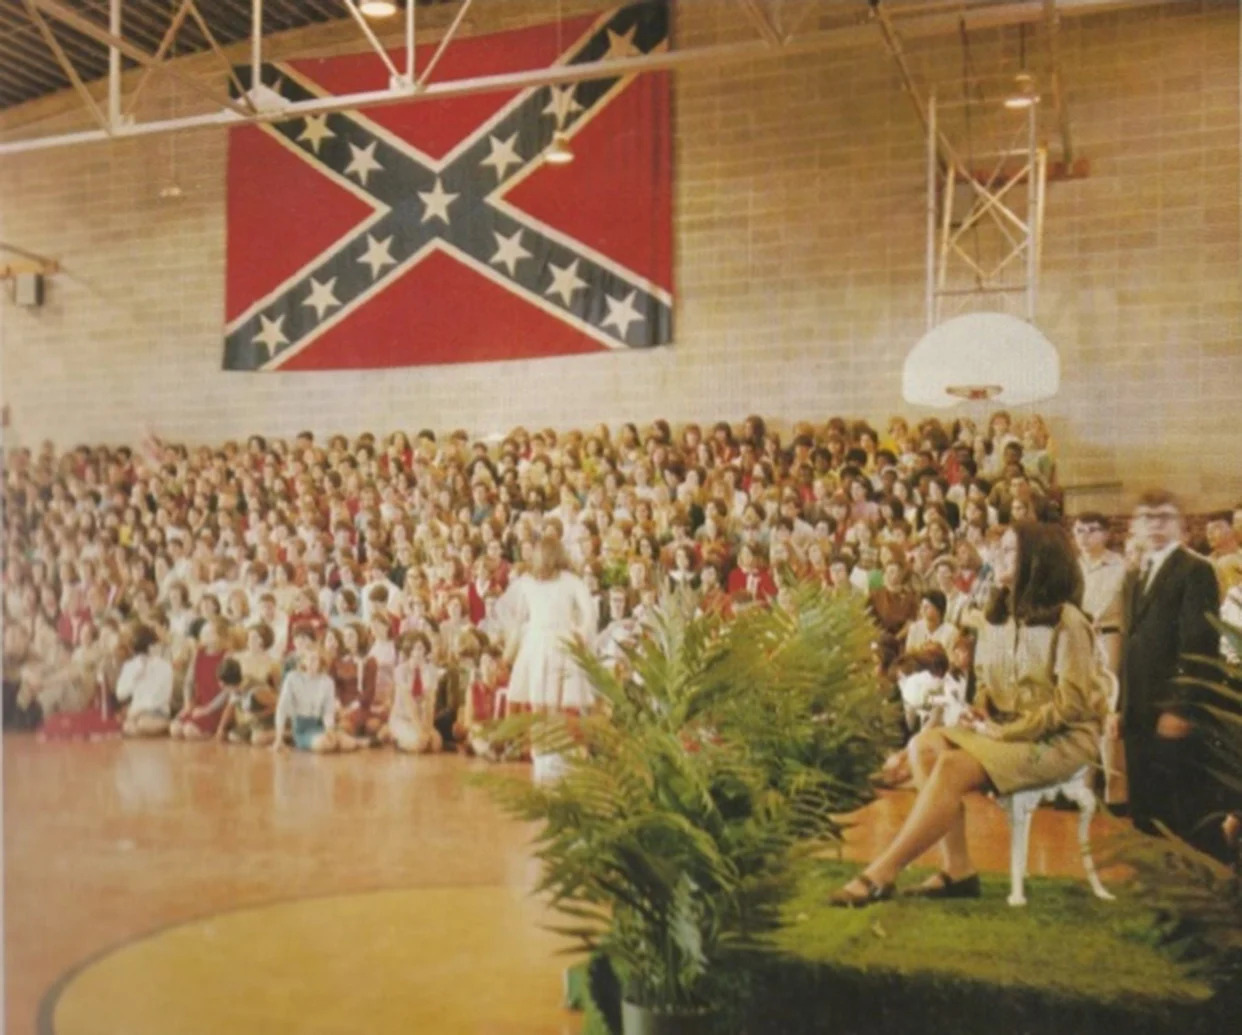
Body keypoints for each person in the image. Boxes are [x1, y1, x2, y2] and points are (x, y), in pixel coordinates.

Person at [831, 523, 1110, 905]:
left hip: (1058, 738)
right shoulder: (994, 617)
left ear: (1038, 562)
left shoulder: (1069, 623)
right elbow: (986, 687)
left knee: (950, 767)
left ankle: (882, 872)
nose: (998, 557)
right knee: (923, 747)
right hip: (1005, 729)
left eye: (1010, 551)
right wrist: (977, 711)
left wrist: (1001, 733)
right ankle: (957, 869)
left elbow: (1070, 707)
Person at [1120, 490, 1223, 858]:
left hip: (1171, 714)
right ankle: (1154, 887)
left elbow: (1198, 645)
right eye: (1146, 517)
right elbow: (1130, 646)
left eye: (1164, 516)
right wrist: (1121, 705)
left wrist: (1181, 707)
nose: (1155, 525)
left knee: (1181, 811)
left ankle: (1201, 897)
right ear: (1135, 525)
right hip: (1138, 712)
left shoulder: (1196, 571)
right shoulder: (1135, 575)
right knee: (1144, 809)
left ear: (1180, 524)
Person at [116, 624, 174, 738]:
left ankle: (164, 726)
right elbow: (120, 694)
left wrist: (142, 709)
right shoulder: (130, 666)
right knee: (130, 727)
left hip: (156, 712)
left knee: (142, 724)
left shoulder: (164, 666)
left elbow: (164, 696)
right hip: (135, 714)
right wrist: (134, 679)